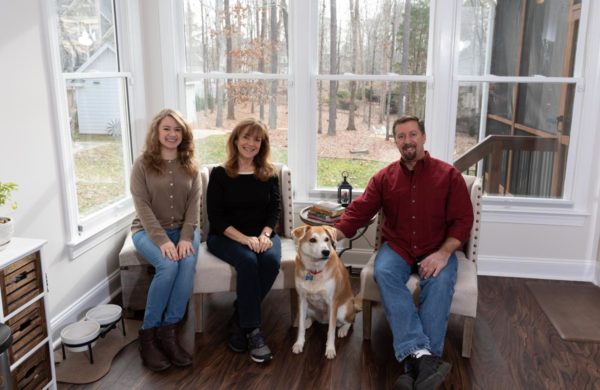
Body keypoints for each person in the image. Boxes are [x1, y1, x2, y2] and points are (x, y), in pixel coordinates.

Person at [335, 115, 473, 390]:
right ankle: (427, 359)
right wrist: (330, 236)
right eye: (401, 136)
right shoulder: (384, 178)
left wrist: (444, 253)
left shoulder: (449, 176)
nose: (407, 141)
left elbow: (463, 221)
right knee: (384, 271)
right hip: (397, 248)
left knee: (441, 281)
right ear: (395, 141)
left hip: (436, 248)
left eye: (412, 134)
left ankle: (414, 366)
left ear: (423, 137)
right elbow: (359, 211)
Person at [206, 118, 281, 364]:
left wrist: (264, 235)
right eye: (246, 137)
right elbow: (216, 218)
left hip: (262, 235)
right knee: (248, 261)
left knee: (270, 260)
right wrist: (246, 240)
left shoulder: (269, 174)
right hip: (225, 236)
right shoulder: (219, 174)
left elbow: (274, 210)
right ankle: (253, 331)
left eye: (257, 139)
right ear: (236, 140)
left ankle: (239, 317)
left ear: (263, 144)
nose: (251, 143)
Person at [130, 108, 200, 371]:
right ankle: (148, 335)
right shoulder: (142, 164)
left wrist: (185, 238)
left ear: (184, 134)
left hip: (184, 231)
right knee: (168, 265)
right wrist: (162, 241)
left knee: (186, 265)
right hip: (147, 231)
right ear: (156, 132)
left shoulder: (191, 164)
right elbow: (142, 207)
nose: (172, 134)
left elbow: (194, 204)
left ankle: (168, 333)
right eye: (166, 129)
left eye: (177, 129)